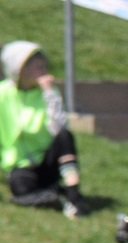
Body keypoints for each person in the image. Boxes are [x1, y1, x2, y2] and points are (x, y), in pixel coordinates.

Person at [1, 41, 89, 218]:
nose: (44, 72)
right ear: (20, 70)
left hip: (48, 161)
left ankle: (73, 194)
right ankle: (50, 196)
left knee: (65, 136)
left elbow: (59, 128)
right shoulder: (3, 94)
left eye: (44, 66)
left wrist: (50, 94)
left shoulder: (48, 94)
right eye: (38, 67)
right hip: (21, 166)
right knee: (21, 188)